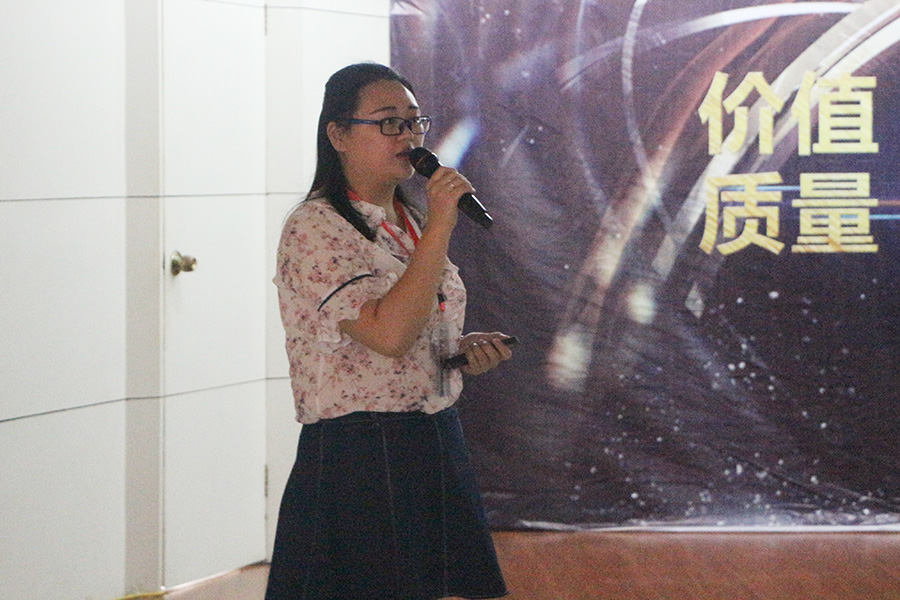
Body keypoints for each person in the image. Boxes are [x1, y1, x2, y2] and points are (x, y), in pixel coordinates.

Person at [265, 62, 513, 600]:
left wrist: (458, 350)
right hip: (361, 451)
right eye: (388, 122)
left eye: (414, 121)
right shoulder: (315, 227)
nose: (408, 137)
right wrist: (442, 223)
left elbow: (414, 331)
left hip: (434, 434)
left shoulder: (411, 221)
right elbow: (389, 335)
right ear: (338, 135)